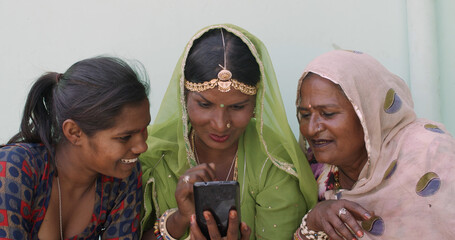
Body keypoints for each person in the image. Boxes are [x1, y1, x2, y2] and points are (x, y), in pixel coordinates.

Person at [140, 24, 318, 240]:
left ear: (256, 103)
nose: (220, 124)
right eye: (205, 105)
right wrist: (178, 219)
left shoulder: (274, 163)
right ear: (184, 95)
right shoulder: (154, 155)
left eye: (237, 107)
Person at [294, 50, 455, 240]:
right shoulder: (315, 172)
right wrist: (313, 221)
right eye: (305, 115)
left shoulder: (429, 154)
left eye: (328, 113)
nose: (312, 129)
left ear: (367, 113)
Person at [0, 57, 151, 239]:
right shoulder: (15, 168)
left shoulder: (122, 178)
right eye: (125, 137)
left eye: (144, 130)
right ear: (74, 132)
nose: (142, 146)